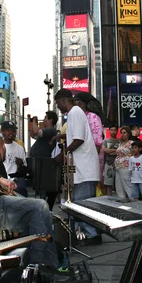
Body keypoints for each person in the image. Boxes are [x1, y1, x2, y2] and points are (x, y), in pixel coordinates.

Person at [0, 135, 59, 267]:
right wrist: (2, 180)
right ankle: (42, 266)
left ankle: (28, 265)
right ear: (3, 148)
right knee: (40, 207)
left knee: (39, 215)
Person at [54, 88, 101, 245]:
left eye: (57, 103)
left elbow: (78, 139)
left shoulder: (74, 112)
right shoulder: (74, 113)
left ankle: (93, 235)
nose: (58, 107)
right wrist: (61, 136)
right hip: (82, 168)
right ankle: (88, 233)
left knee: (82, 205)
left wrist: (63, 154)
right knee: (78, 203)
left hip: (85, 169)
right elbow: (77, 135)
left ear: (62, 100)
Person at [29, 111, 59, 210]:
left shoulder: (51, 131)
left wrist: (34, 120)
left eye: (45, 118)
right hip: (39, 160)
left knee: (43, 186)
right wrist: (33, 122)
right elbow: (33, 134)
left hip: (43, 161)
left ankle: (43, 206)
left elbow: (37, 132)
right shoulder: (47, 131)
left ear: (50, 120)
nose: (44, 120)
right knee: (40, 185)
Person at [1, 121, 28, 197]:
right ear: (2, 131)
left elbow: (24, 170)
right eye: (8, 130)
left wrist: (20, 164)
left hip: (15, 179)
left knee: (22, 191)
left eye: (13, 130)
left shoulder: (19, 148)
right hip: (1, 178)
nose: (11, 132)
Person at [114, 126, 133, 201]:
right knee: (119, 186)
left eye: (124, 133)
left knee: (127, 185)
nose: (122, 134)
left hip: (126, 166)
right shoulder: (120, 144)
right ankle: (122, 201)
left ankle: (133, 201)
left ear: (128, 134)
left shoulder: (131, 143)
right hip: (118, 166)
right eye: (121, 133)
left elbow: (133, 154)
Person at [101, 124, 119, 196]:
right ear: (109, 131)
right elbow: (105, 150)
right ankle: (108, 198)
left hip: (118, 164)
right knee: (108, 183)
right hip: (108, 164)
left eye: (115, 130)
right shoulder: (106, 141)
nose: (113, 132)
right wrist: (116, 150)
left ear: (117, 131)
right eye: (111, 130)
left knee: (118, 183)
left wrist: (110, 150)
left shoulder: (119, 141)